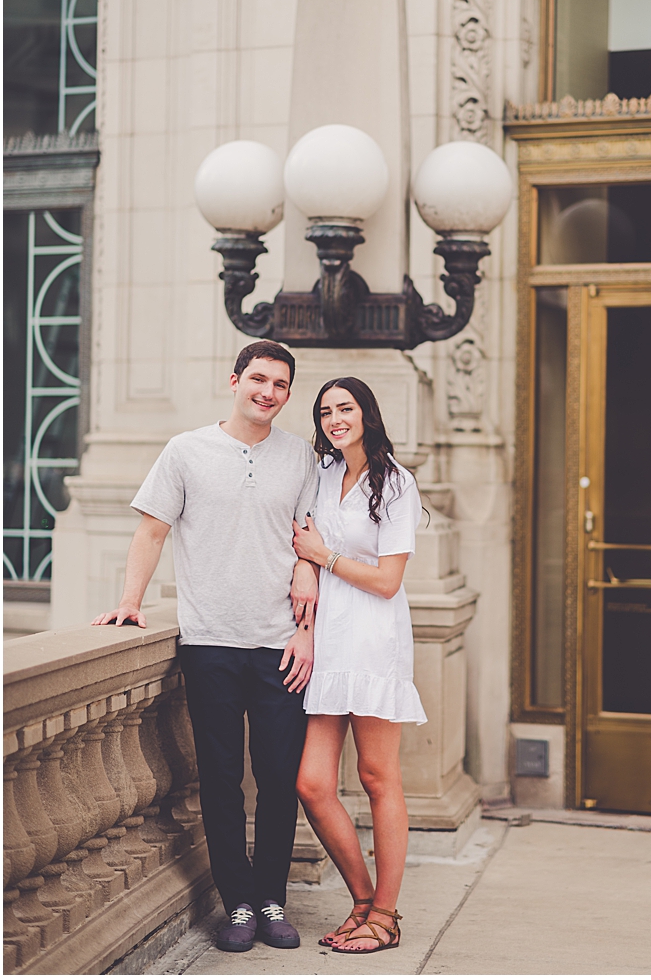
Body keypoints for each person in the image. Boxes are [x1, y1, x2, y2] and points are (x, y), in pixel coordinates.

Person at [94, 340, 320, 953]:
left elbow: (314, 540)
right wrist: (131, 600)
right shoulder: (186, 451)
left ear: (289, 393)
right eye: (258, 379)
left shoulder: (302, 456)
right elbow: (152, 530)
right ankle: (238, 905)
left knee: (278, 779)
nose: (267, 391)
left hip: (281, 646)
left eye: (279, 383)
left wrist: (307, 602)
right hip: (209, 641)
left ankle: (272, 899)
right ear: (235, 380)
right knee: (221, 779)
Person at [290, 376, 426, 955]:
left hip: (373, 639)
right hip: (327, 642)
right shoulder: (319, 475)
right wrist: (305, 569)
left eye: (345, 408)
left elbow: (388, 580)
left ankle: (386, 915)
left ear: (367, 413)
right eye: (325, 411)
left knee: (377, 777)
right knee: (313, 783)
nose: (334, 419)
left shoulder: (395, 483)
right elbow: (296, 539)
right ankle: (366, 901)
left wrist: (323, 556)